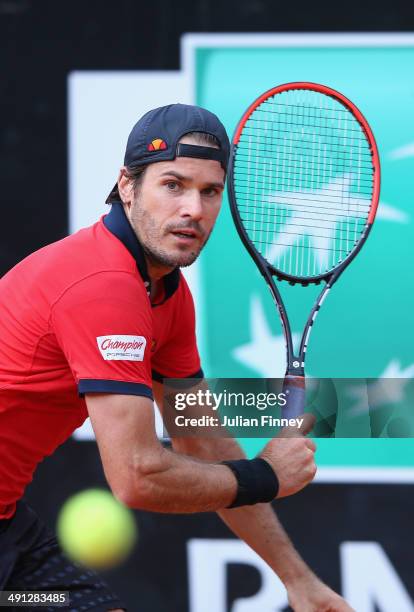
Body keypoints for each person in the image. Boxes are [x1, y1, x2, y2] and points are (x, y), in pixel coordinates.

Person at [0, 103, 353, 612]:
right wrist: (266, 476)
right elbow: (138, 475)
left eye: (210, 191)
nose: (193, 209)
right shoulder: (105, 286)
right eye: (174, 185)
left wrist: (298, 582)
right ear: (127, 186)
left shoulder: (166, 293)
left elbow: (201, 438)